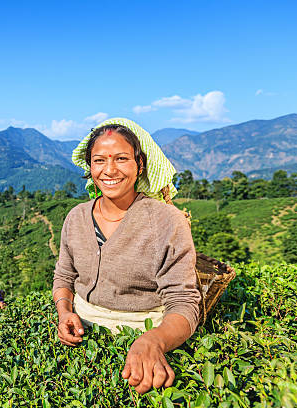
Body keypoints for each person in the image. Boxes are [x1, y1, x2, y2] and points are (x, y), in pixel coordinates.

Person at [53, 118, 201, 395]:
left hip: (144, 330)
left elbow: (184, 303)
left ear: (140, 165)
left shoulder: (166, 220)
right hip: (83, 333)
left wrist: (154, 341)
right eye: (99, 160)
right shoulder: (76, 217)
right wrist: (64, 312)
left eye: (121, 158)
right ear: (90, 167)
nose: (109, 170)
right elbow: (64, 276)